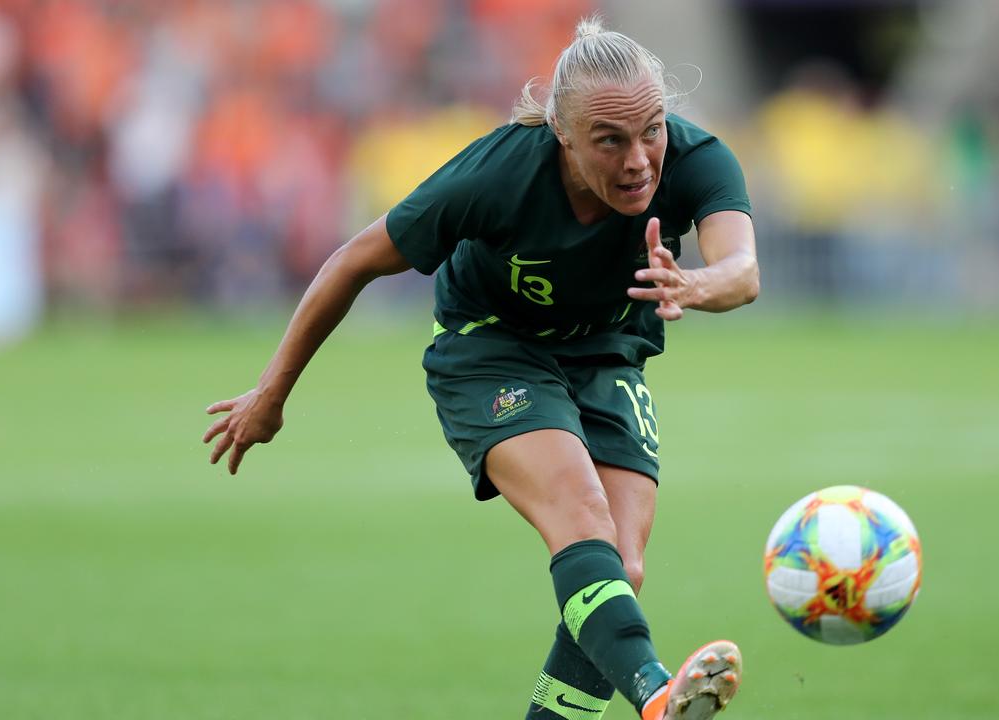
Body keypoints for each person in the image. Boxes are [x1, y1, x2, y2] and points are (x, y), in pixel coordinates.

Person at [202, 16, 758, 720]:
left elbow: (742, 270)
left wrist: (698, 286)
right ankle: (655, 695)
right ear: (560, 130)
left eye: (650, 130)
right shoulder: (497, 176)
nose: (639, 159)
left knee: (623, 564)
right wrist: (271, 395)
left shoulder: (695, 158)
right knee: (579, 515)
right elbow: (351, 263)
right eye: (610, 140)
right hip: (491, 346)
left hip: (608, 349)